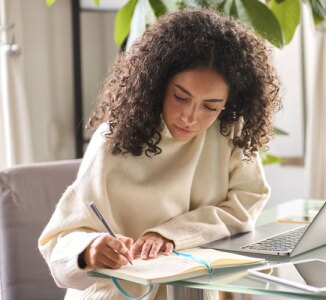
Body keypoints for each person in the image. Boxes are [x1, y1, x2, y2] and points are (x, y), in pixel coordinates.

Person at [38, 8, 281, 300]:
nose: (190, 117)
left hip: (193, 289)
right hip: (118, 293)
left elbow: (246, 205)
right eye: (181, 97)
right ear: (158, 82)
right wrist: (89, 250)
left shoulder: (228, 132)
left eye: (210, 106)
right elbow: (59, 242)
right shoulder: (113, 138)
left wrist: (170, 234)